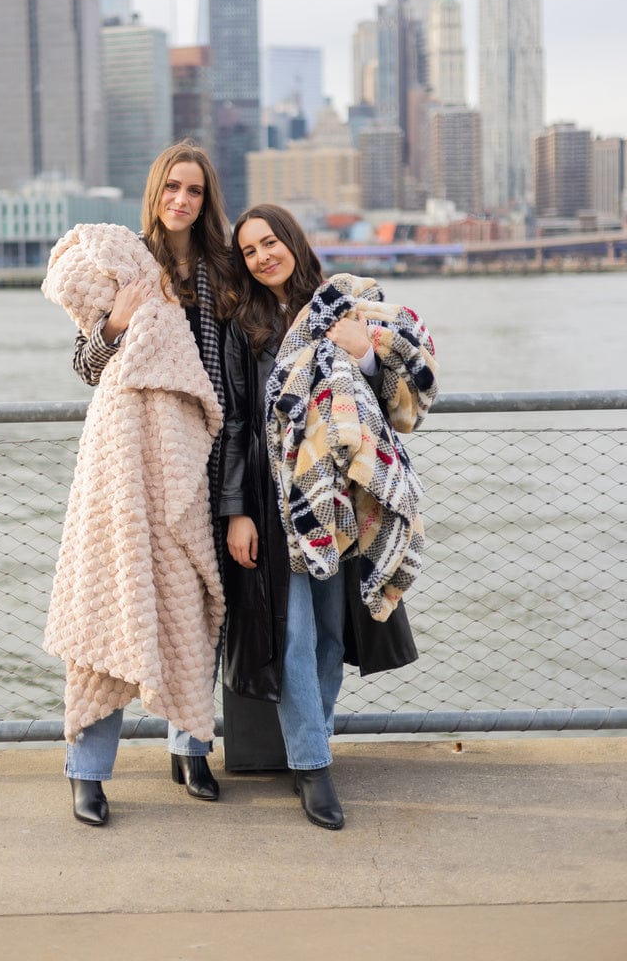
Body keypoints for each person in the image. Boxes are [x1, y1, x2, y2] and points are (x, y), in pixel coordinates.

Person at [219, 205, 438, 830]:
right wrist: (237, 511)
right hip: (275, 498)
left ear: (292, 242)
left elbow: (393, 406)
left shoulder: (343, 307)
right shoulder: (246, 325)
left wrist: (364, 356)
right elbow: (237, 423)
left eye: (270, 242)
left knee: (333, 634)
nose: (263, 256)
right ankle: (313, 767)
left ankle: (309, 746)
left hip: (339, 495)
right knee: (292, 634)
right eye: (250, 250)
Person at [42, 141, 235, 826]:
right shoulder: (125, 264)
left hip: (200, 458)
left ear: (207, 202)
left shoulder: (220, 275)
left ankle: (191, 747)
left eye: (195, 191)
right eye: (172, 188)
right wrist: (117, 325)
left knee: (190, 603)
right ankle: (88, 771)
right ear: (155, 192)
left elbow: (229, 378)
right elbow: (87, 367)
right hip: (124, 464)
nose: (182, 200)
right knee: (110, 601)